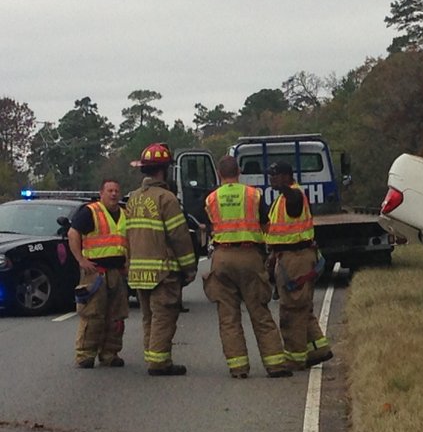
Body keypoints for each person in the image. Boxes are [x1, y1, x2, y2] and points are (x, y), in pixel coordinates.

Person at [202, 156, 292, 379]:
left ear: (219, 173)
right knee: (260, 311)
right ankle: (275, 365)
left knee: (228, 316)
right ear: (239, 171)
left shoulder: (211, 198)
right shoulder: (253, 195)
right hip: (249, 255)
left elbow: (209, 225)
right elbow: (265, 223)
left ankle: (238, 367)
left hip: (222, 257)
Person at [126, 143, 197, 376]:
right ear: (164, 170)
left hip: (138, 271)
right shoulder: (166, 199)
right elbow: (179, 237)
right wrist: (189, 268)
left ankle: (152, 356)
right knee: (164, 317)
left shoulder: (133, 199)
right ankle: (159, 362)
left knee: (149, 317)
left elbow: (127, 235)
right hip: (162, 271)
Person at [265, 160, 333, 370]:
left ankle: (295, 358)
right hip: (291, 256)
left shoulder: (293, 196)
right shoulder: (283, 198)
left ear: (287, 176)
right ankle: (319, 349)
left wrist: (285, 188)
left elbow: (293, 201)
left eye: (275, 175)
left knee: (291, 309)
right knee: (302, 307)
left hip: (295, 258)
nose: (271, 179)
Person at [68, 179, 128, 368]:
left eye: (116, 191)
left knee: (116, 316)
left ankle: (110, 354)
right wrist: (81, 260)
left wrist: (127, 263)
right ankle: (85, 355)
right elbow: (72, 234)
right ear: (101, 193)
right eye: (109, 190)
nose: (113, 194)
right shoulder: (90, 212)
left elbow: (126, 241)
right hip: (95, 273)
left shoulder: (124, 214)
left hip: (116, 272)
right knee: (93, 315)